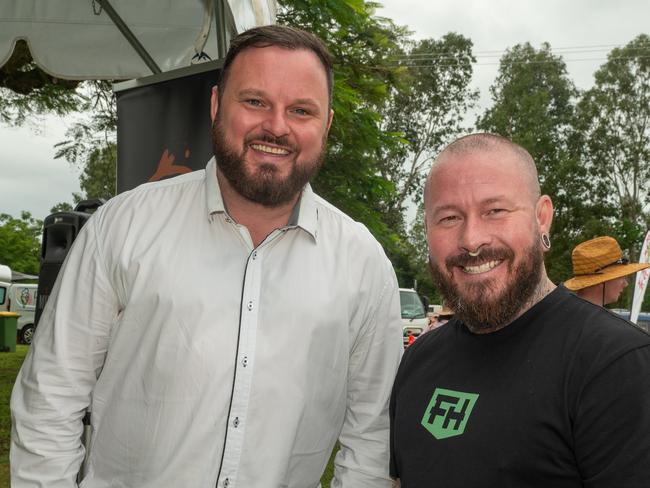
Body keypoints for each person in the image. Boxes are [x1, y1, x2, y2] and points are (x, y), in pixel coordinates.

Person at [11, 26, 403, 488]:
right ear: (217, 105)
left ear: (326, 125)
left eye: (301, 110)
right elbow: (50, 398)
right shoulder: (124, 226)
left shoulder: (363, 265)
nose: (277, 126)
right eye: (255, 101)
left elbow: (371, 438)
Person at [389, 133, 650, 487]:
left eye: (494, 211)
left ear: (542, 218)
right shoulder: (417, 360)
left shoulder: (616, 364)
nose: (472, 240)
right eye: (449, 218)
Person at [564, 235, 650, 306]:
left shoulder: (560, 313)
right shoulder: (602, 324)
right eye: (622, 277)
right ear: (600, 281)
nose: (625, 284)